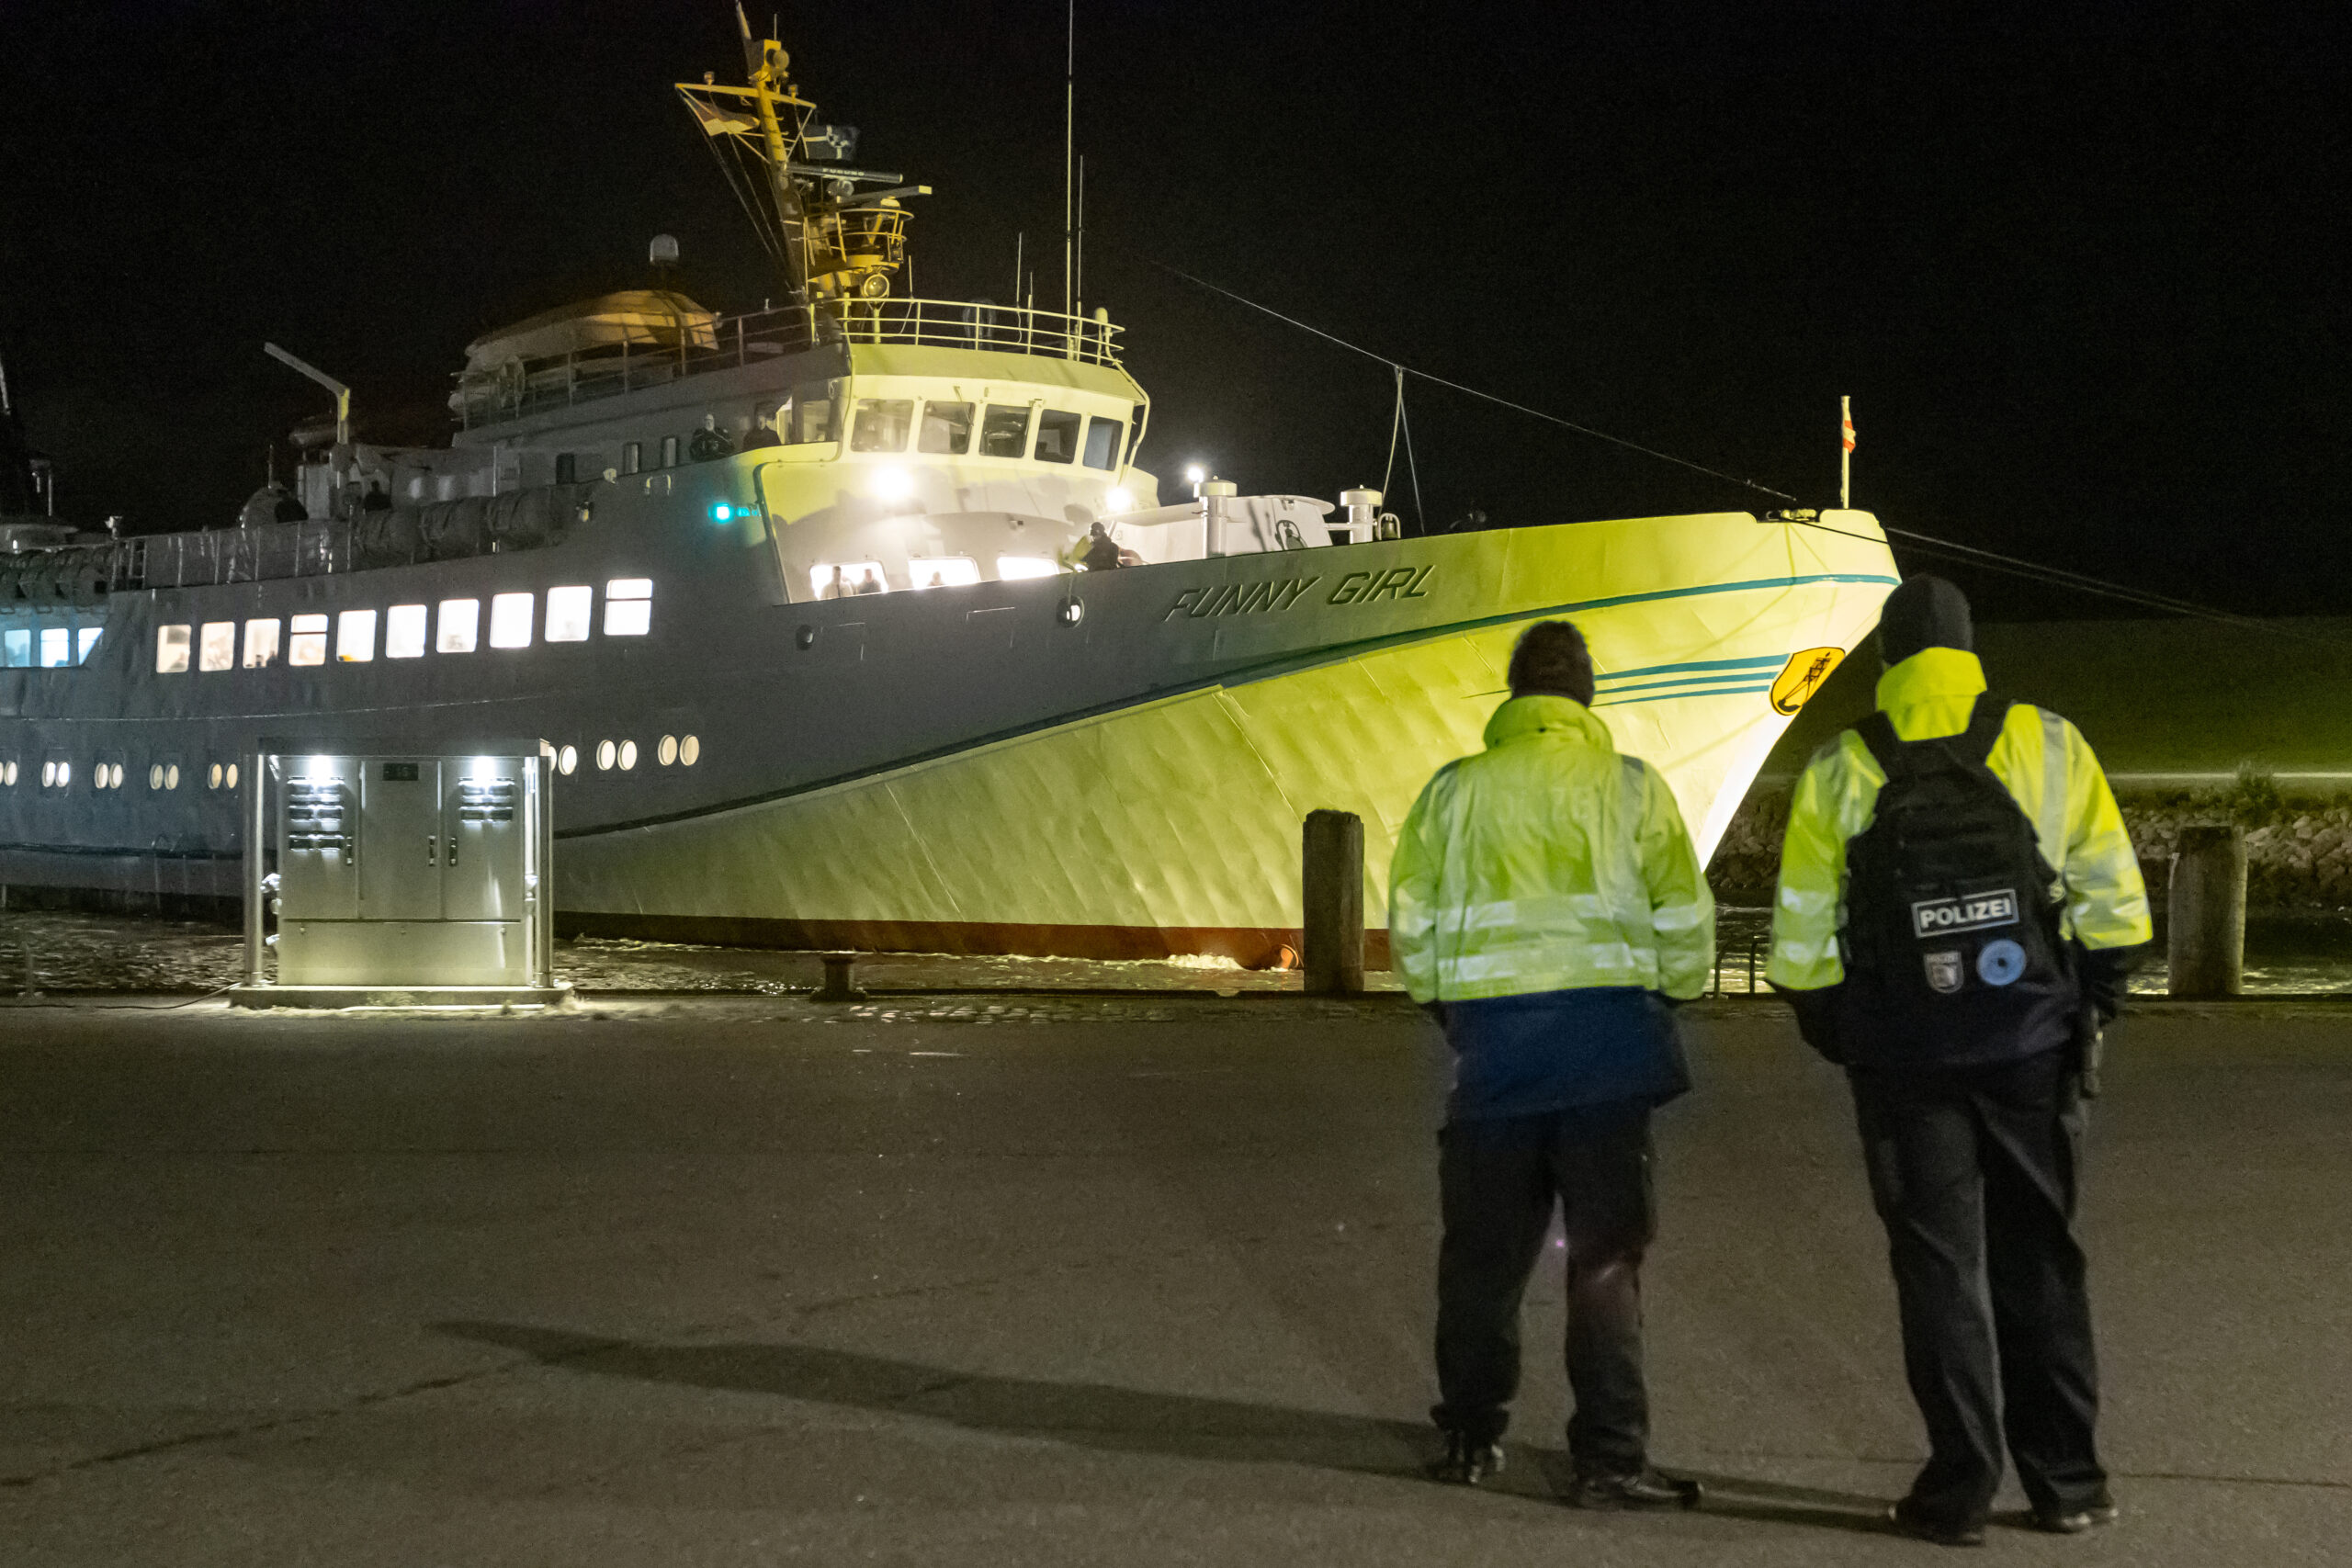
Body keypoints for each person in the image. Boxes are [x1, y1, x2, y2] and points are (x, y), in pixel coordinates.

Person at [1767, 575, 2150, 1546]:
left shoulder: (1842, 764)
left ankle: (1959, 1490)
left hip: (1904, 1058)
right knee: (2041, 1262)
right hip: (2030, 1045)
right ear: (1970, 649)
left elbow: (1801, 945)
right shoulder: (2045, 740)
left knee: (1936, 1269)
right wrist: (2081, 1009)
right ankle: (2068, 1484)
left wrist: (1848, 1033)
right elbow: (2117, 905)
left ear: (1888, 662)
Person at [1389, 619, 1713, 1508]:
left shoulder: (1453, 791)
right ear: (1585, 695)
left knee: (1482, 1262)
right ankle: (1608, 1459)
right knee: (1604, 1262)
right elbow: (1683, 919)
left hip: (1493, 1057)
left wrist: (1451, 1011)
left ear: (1511, 695)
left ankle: (1467, 1435)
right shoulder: (1630, 788)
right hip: (1608, 1052)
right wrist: (1663, 997)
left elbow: (1410, 921)